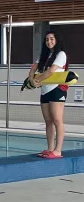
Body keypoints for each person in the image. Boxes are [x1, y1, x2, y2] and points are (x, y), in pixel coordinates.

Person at [29, 30, 68, 159]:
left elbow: (51, 71)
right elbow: (33, 69)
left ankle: (58, 150)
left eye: (51, 39)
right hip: (45, 90)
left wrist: (37, 80)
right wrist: (31, 80)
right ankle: (50, 148)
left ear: (56, 40)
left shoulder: (61, 54)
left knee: (57, 120)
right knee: (48, 121)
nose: (49, 41)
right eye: (47, 39)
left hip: (57, 89)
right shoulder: (44, 55)